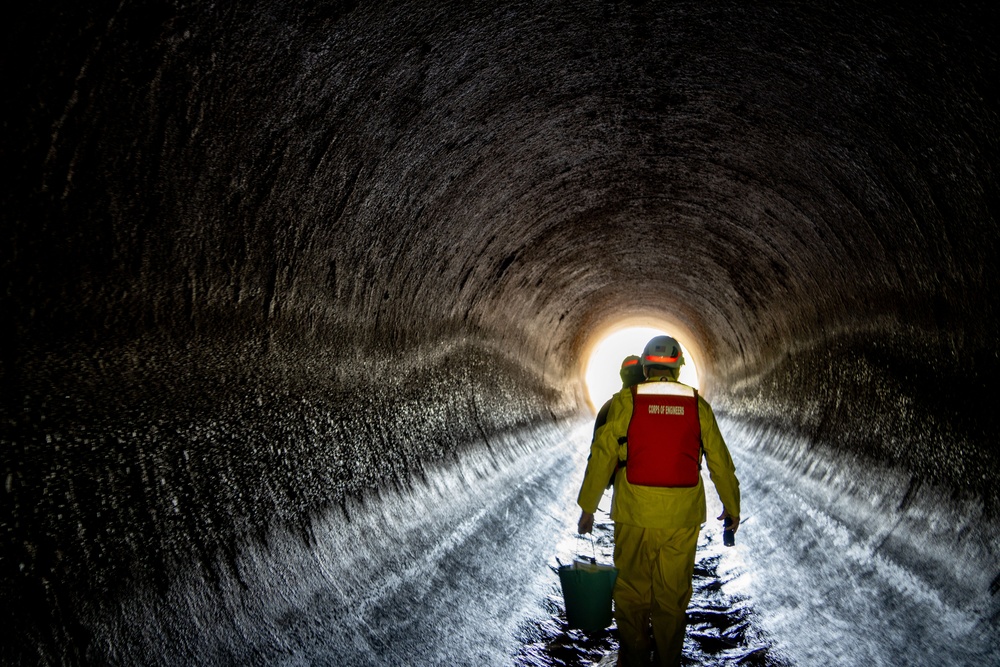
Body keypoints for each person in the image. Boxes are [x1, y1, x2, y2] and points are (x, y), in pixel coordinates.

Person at [576, 335, 741, 666]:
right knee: (671, 596)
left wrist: (588, 507)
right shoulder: (697, 405)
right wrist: (731, 507)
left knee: (631, 593)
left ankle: (635, 657)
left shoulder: (627, 401)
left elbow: (603, 454)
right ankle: (667, 660)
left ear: (646, 367)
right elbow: (720, 461)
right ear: (679, 367)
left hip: (633, 513)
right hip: (681, 518)